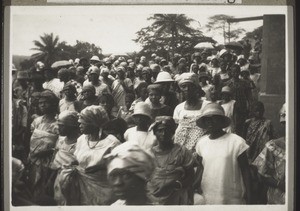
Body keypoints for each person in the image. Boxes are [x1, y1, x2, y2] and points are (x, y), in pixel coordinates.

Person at [55, 105, 120, 205]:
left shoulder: (112, 143)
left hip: (103, 190)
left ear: (93, 124)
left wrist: (100, 167)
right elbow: (79, 160)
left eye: (83, 123)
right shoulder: (82, 139)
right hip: (81, 188)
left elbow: (119, 168)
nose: (79, 126)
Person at [195, 103, 252, 204]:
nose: (210, 122)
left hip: (231, 195)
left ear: (221, 121)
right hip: (209, 193)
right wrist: (194, 186)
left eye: (214, 118)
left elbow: (245, 169)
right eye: (207, 119)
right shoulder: (201, 143)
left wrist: (249, 193)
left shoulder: (236, 142)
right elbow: (201, 167)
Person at [147, 116, 195, 205]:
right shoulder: (148, 154)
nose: (163, 133)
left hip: (176, 199)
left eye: (167, 130)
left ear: (173, 132)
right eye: (160, 130)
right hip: (152, 199)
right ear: (154, 132)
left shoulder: (182, 152)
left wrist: (174, 184)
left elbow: (191, 176)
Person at [27, 90, 60, 204]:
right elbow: (33, 142)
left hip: (49, 163)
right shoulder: (37, 121)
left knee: (46, 189)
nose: (42, 105)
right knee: (33, 187)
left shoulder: (58, 124)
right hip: (34, 162)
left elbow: (59, 147)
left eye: (46, 102)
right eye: (40, 102)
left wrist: (46, 152)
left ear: (54, 104)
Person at [252, 103, 286, 204]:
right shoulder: (273, 146)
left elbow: (271, 133)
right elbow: (262, 175)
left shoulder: (268, 123)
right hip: (278, 200)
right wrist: (281, 185)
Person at [52, 111, 80, 205]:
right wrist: (50, 178)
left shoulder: (80, 143)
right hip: (58, 178)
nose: (58, 128)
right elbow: (56, 160)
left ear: (72, 127)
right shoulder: (61, 140)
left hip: (74, 183)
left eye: (61, 125)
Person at [173, 73, 206, 152]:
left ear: (195, 88)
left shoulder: (206, 106)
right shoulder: (179, 108)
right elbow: (177, 127)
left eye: (190, 86)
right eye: (184, 86)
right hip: (180, 148)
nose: (187, 89)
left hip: (201, 147)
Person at [224, 64, 252, 136]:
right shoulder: (227, 84)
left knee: (240, 126)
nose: (235, 74)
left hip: (241, 107)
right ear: (231, 72)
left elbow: (249, 96)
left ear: (239, 72)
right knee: (231, 126)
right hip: (231, 108)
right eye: (233, 72)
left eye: (237, 72)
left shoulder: (245, 83)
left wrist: (249, 106)